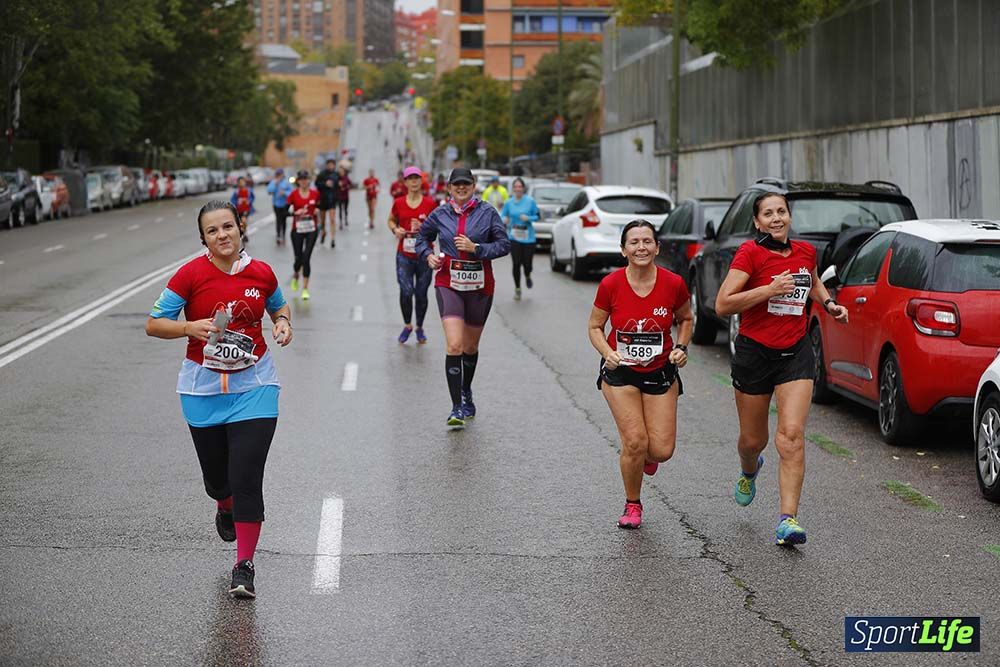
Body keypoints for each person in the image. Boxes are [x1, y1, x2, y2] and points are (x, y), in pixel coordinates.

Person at [145, 200, 293, 598]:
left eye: (227, 226)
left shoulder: (261, 273)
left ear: (240, 227)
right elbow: (153, 324)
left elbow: (280, 309)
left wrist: (281, 324)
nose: (222, 235)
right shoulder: (190, 274)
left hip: (255, 388)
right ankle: (223, 505)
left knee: (246, 478)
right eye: (212, 231)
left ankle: (244, 566)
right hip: (202, 391)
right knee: (218, 482)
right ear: (204, 239)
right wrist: (188, 327)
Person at [715, 192, 849, 546]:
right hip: (754, 354)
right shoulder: (750, 254)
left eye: (782, 212)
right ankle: (749, 469)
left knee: (791, 436)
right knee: (752, 440)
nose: (776, 218)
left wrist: (830, 304)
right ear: (757, 222)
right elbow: (723, 304)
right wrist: (768, 289)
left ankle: (787, 520)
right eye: (768, 214)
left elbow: (814, 281)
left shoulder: (805, 251)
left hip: (795, 353)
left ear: (789, 217)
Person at [588, 220, 694, 529]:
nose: (641, 247)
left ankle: (646, 457)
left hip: (661, 372)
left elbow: (686, 318)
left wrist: (682, 347)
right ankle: (633, 504)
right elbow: (595, 326)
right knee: (634, 441)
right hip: (620, 372)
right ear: (623, 250)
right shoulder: (610, 284)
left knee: (661, 450)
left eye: (647, 241)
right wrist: (607, 353)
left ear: (657, 248)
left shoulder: (673, 283)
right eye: (633, 242)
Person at [415, 167, 510, 429]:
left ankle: (466, 390)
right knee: (454, 344)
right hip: (449, 284)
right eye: (456, 184)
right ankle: (456, 406)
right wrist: (428, 256)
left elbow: (504, 244)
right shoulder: (440, 213)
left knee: (470, 347)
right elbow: (422, 237)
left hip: (480, 288)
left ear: (473, 185)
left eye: (465, 184)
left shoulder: (487, 212)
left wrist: (476, 248)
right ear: (449, 187)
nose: (461, 188)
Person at [389, 166, 436, 345]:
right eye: (411, 178)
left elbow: (436, 230)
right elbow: (391, 219)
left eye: (417, 178)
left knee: (421, 293)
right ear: (405, 182)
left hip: (425, 256)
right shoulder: (399, 202)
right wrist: (396, 229)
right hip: (404, 255)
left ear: (421, 181)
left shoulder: (430, 203)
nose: (414, 181)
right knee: (406, 291)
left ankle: (420, 327)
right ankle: (408, 325)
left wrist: (423, 228)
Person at [499, 177, 540, 301]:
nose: (517, 189)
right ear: (513, 189)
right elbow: (502, 216)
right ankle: (517, 288)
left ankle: (527, 275)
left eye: (519, 187)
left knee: (527, 264)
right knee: (516, 263)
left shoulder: (530, 201)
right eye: (515, 187)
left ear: (523, 188)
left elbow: (537, 216)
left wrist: (528, 218)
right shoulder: (508, 203)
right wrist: (504, 220)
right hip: (514, 237)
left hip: (529, 238)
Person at [287, 170, 321, 300]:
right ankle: (296, 274)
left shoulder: (315, 194)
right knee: (298, 258)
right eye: (301, 179)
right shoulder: (293, 195)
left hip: (312, 229)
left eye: (306, 179)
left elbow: (321, 205)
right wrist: (295, 213)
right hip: (297, 230)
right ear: (298, 182)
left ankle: (305, 288)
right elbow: (285, 211)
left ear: (309, 180)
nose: (304, 181)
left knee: (306, 258)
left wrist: (318, 210)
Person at [267, 168, 294, 245]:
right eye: (277, 174)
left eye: (280, 174)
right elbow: (269, 191)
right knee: (278, 220)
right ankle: (278, 235)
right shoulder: (274, 182)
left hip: (285, 204)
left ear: (283, 174)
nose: (279, 176)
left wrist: (284, 193)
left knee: (284, 220)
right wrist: (275, 184)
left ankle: (283, 235)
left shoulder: (286, 183)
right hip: (276, 204)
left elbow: (292, 193)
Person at [315, 159, 338, 247]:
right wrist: (325, 183)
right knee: (323, 221)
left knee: (332, 220)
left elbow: (338, 187)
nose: (331, 166)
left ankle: (333, 238)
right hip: (323, 200)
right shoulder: (322, 174)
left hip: (332, 200)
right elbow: (317, 184)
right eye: (329, 165)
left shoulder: (336, 175)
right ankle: (323, 232)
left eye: (332, 165)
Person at [335, 165, 352, 230]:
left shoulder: (346, 178)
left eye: (342, 172)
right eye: (340, 172)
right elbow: (334, 185)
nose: (341, 173)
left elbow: (350, 184)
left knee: (345, 209)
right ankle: (341, 222)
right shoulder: (337, 178)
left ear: (344, 172)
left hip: (345, 196)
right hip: (339, 196)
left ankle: (346, 219)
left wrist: (346, 187)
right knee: (340, 210)